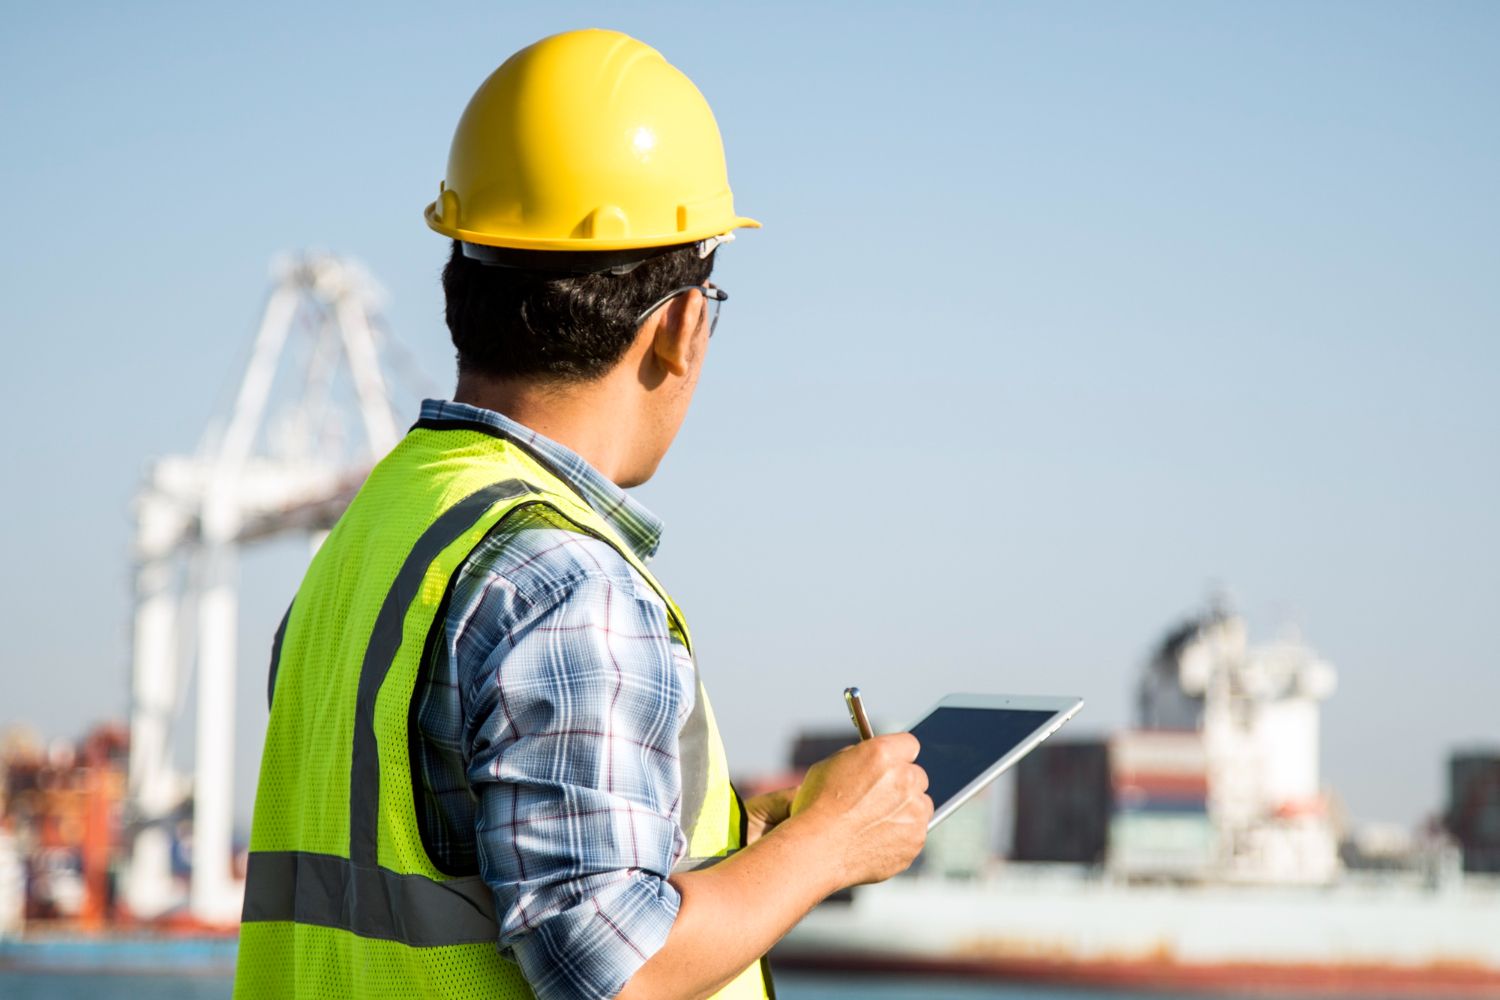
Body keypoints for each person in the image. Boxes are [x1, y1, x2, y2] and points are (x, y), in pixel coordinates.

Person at [232, 28, 931, 1000]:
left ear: (457, 282)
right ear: (682, 326)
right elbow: (617, 967)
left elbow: (453, 859)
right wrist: (830, 844)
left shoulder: (376, 533)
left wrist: (745, 837)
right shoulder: (563, 581)